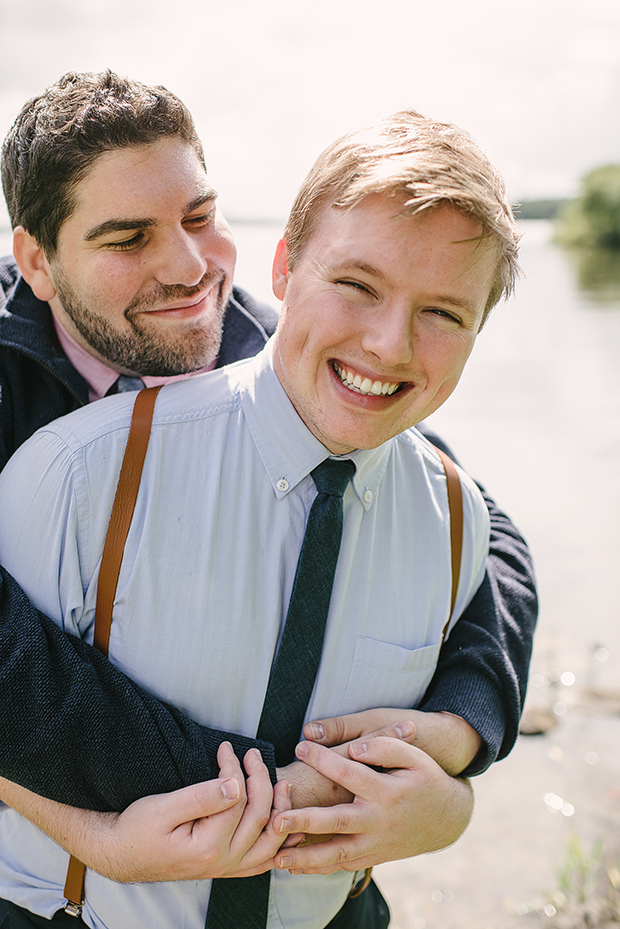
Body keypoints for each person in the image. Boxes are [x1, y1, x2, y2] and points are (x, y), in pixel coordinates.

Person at [0, 102, 530, 928]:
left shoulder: (284, 352)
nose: (188, 268)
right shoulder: (64, 467)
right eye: (126, 237)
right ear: (35, 261)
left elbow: (479, 535)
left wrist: (460, 747)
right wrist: (102, 834)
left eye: (201, 218)